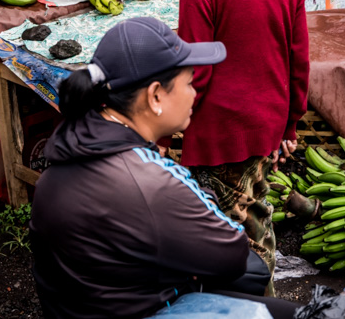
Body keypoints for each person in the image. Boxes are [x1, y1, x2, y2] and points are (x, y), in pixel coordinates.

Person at [29, 17, 299, 319]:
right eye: (188, 82)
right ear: (156, 96)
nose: (194, 93)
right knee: (262, 283)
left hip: (86, 306)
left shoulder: (71, 147)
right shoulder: (145, 177)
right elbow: (233, 253)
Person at [175, 0, 310, 294]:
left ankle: (254, 305)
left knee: (231, 234)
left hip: (221, 127)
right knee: (253, 212)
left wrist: (170, 123)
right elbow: (298, 58)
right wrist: (289, 122)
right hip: (266, 120)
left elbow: (197, 64)